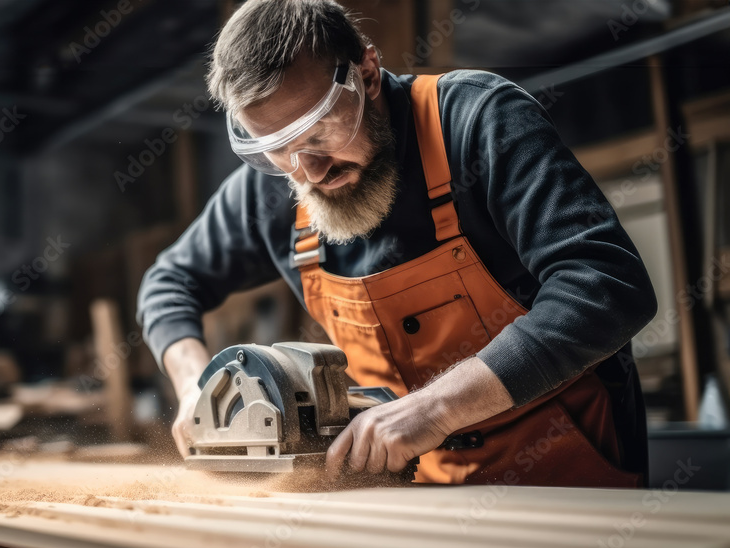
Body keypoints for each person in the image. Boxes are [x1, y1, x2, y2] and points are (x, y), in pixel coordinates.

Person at [136, 0, 657, 487]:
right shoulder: (273, 189)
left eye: (320, 132)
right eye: (276, 150)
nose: (309, 171)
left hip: (569, 483)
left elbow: (606, 286)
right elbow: (169, 282)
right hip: (410, 498)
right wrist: (195, 391)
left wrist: (436, 409)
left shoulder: (475, 121)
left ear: (366, 73)